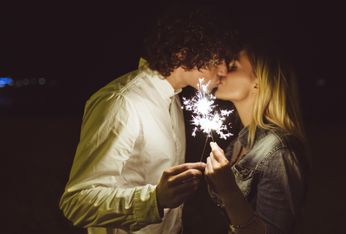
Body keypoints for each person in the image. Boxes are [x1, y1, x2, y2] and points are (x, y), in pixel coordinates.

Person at [59, 5, 240, 234]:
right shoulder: (122, 102)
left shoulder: (172, 99)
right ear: (182, 54)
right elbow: (77, 202)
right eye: (217, 58)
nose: (224, 70)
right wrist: (154, 199)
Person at [204, 45, 309, 234]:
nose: (222, 71)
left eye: (233, 67)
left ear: (258, 83)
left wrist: (228, 189)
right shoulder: (237, 144)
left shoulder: (279, 151)